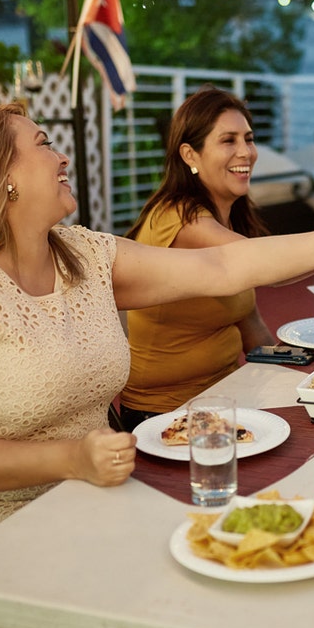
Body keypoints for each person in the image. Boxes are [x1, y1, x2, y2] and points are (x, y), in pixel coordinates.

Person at [0, 103, 314, 611]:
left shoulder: (80, 253)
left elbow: (225, 267)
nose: (62, 157)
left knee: (226, 576)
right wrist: (70, 459)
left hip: (87, 492)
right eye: (44, 144)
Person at [119, 87, 274, 422]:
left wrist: (300, 370)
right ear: (190, 155)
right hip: (163, 414)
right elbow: (264, 264)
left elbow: (250, 323)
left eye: (248, 138)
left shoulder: (230, 217)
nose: (245, 152)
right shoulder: (179, 219)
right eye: (228, 140)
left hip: (227, 396)